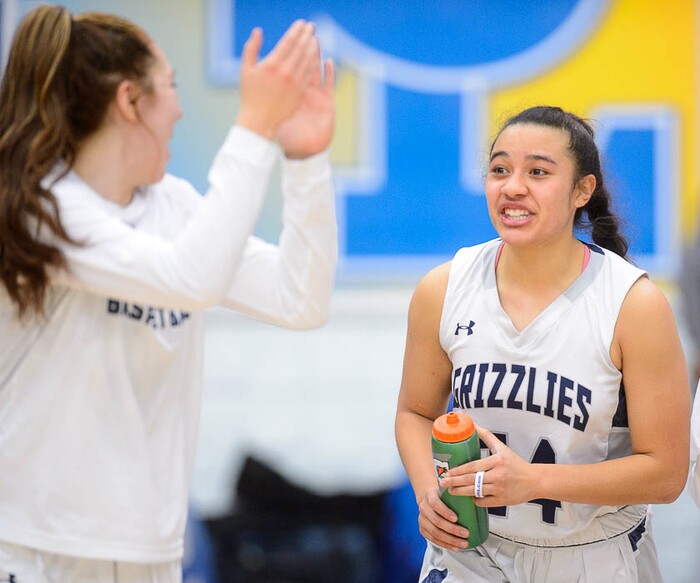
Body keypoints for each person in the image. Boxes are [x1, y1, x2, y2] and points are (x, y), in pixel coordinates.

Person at [0, 5, 336, 583]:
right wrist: (252, 126)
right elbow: (191, 279)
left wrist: (304, 159)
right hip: (34, 548)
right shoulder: (43, 210)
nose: (179, 108)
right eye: (170, 88)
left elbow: (297, 299)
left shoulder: (172, 207)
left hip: (151, 551)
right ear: (130, 101)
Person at [395, 106, 690, 582]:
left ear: (581, 190)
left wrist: (534, 482)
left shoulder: (634, 305)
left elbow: (666, 472)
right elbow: (415, 413)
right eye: (499, 169)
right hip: (475, 552)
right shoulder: (443, 288)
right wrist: (429, 492)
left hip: (593, 555)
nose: (513, 187)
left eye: (537, 171)